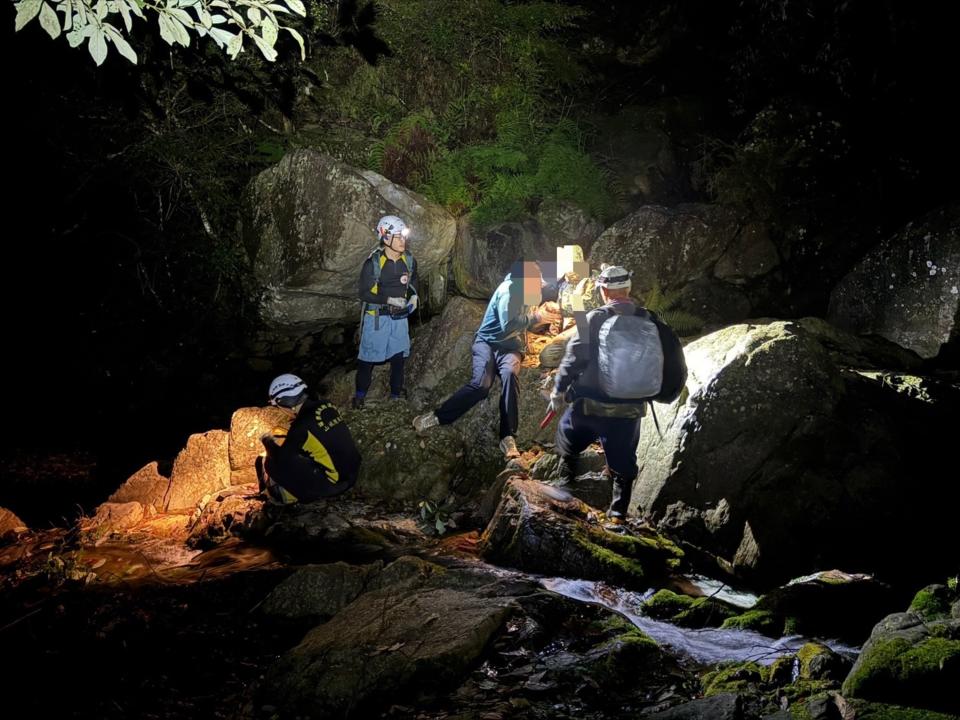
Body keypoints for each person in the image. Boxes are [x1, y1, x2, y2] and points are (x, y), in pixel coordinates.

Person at [546, 265, 668, 525]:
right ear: (629, 289)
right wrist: (663, 394)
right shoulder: (651, 319)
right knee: (624, 461)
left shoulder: (591, 318)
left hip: (591, 405)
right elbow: (673, 362)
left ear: (603, 291)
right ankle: (617, 517)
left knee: (568, 436)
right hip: (631, 409)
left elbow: (574, 357)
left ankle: (563, 489)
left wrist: (559, 391)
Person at [413, 260, 561, 459]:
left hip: (511, 346)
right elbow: (507, 325)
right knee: (481, 385)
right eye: (536, 282)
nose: (540, 286)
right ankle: (437, 416)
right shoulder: (508, 292)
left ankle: (508, 436)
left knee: (509, 374)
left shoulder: (529, 288)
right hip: (487, 342)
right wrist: (537, 317)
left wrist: (546, 312)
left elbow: (526, 321)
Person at [257, 373, 361, 504]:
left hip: (336, 483)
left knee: (271, 464)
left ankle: (287, 496)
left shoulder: (300, 426)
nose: (280, 410)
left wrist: (267, 441)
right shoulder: (327, 405)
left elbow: (282, 458)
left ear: (284, 401)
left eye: (278, 406)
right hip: (352, 472)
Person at [354, 214, 419, 409]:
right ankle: (359, 396)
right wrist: (388, 299)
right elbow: (364, 294)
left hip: (400, 318)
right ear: (385, 238)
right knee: (367, 360)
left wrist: (414, 297)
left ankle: (396, 395)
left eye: (404, 236)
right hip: (377, 318)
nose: (403, 241)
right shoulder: (373, 263)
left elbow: (414, 280)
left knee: (399, 358)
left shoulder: (409, 260)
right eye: (398, 236)